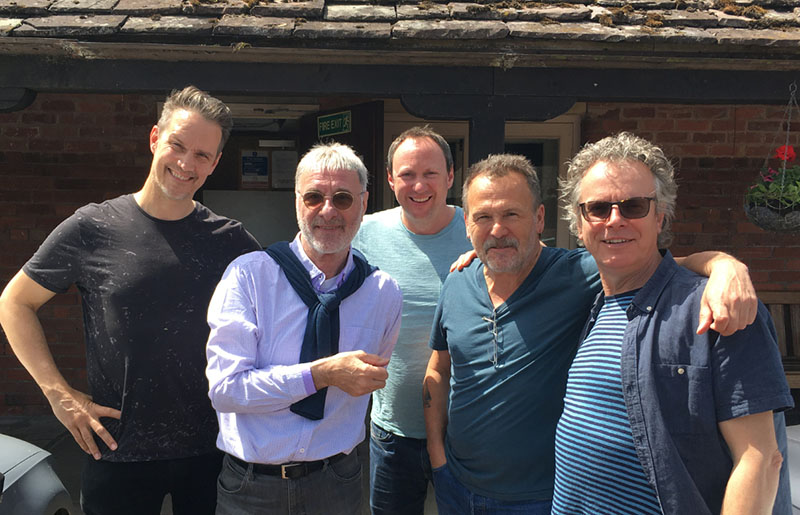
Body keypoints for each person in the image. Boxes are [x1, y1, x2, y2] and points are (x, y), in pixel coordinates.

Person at [424, 153, 759, 514]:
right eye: (483, 218)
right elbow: (439, 370)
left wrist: (724, 266)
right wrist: (437, 456)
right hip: (456, 485)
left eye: (511, 214)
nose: (497, 230)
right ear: (467, 224)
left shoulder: (580, 274)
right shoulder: (455, 283)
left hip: (540, 498)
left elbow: (656, 264)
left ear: (539, 218)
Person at [0, 86, 261, 514]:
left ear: (214, 164)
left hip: (213, 450)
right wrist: (59, 395)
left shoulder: (231, 241)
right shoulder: (93, 227)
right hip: (117, 451)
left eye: (201, 155)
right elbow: (14, 303)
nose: (185, 163)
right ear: (155, 138)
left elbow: (276, 315)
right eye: (177, 145)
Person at [552, 132, 792, 514]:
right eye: (597, 208)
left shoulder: (716, 308)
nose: (614, 220)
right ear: (578, 225)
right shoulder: (593, 301)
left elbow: (761, 459)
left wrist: (725, 266)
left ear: (660, 215)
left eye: (633, 206)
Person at [206, 142, 403, 515]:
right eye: (314, 196)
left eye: (342, 198)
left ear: (363, 204)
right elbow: (226, 390)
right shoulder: (248, 276)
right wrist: (321, 374)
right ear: (297, 201)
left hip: (336, 482)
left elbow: (371, 379)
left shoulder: (383, 293)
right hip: (252, 486)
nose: (327, 210)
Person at [352, 126, 473, 514]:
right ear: (390, 179)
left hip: (469, 432)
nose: (418, 185)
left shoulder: (482, 229)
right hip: (393, 431)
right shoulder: (365, 233)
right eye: (406, 174)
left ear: (451, 176)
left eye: (430, 173)